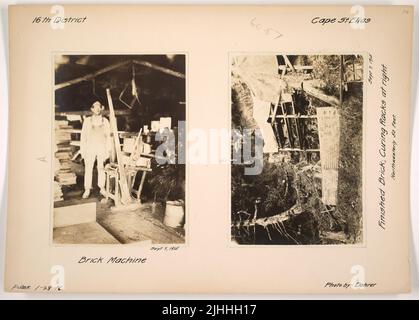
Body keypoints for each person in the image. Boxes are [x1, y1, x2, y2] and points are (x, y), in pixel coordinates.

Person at [80, 101, 113, 199]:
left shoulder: (105, 121)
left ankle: (102, 188)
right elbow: (83, 137)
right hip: (90, 148)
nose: (97, 109)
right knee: (88, 168)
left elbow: (108, 137)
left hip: (101, 148)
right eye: (95, 107)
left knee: (101, 168)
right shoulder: (87, 121)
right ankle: (87, 189)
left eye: (99, 107)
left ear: (102, 108)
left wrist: (108, 150)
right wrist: (83, 151)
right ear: (92, 109)